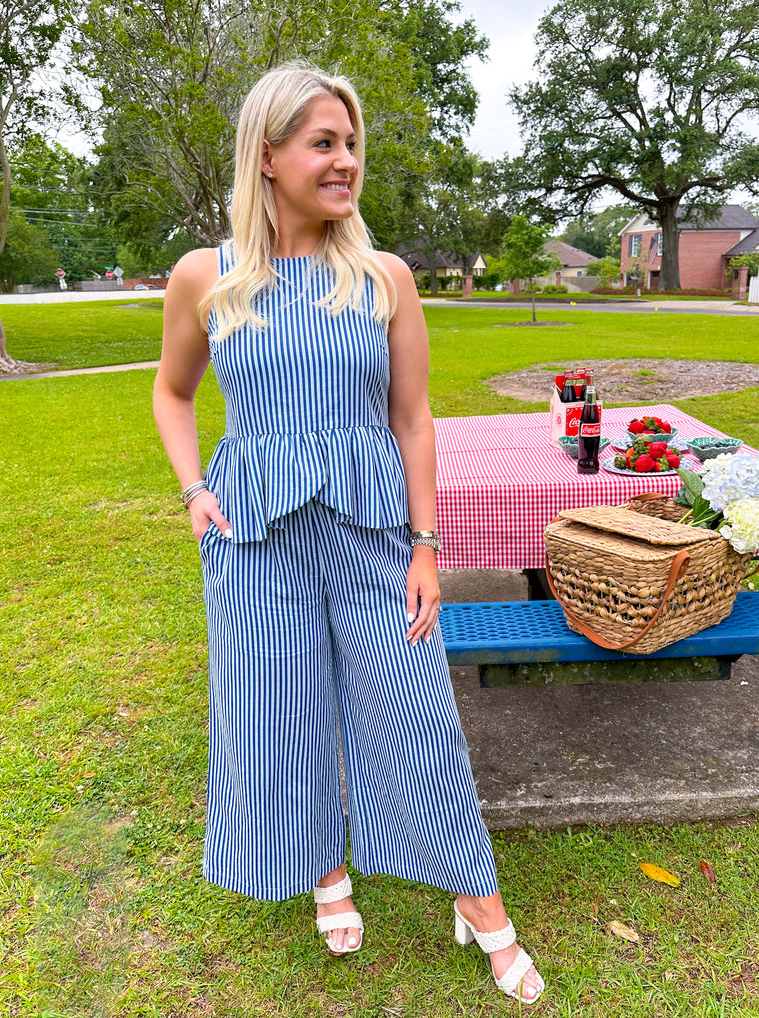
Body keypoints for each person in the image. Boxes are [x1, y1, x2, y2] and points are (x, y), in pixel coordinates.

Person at [153, 61, 544, 1005]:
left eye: (352, 144)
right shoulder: (207, 276)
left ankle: (479, 900)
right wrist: (194, 490)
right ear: (268, 155)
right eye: (323, 143)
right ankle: (325, 869)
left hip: (374, 533)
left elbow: (414, 419)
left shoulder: (383, 277)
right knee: (278, 712)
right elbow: (172, 391)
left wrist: (427, 546)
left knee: (416, 714)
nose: (345, 161)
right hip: (254, 537)